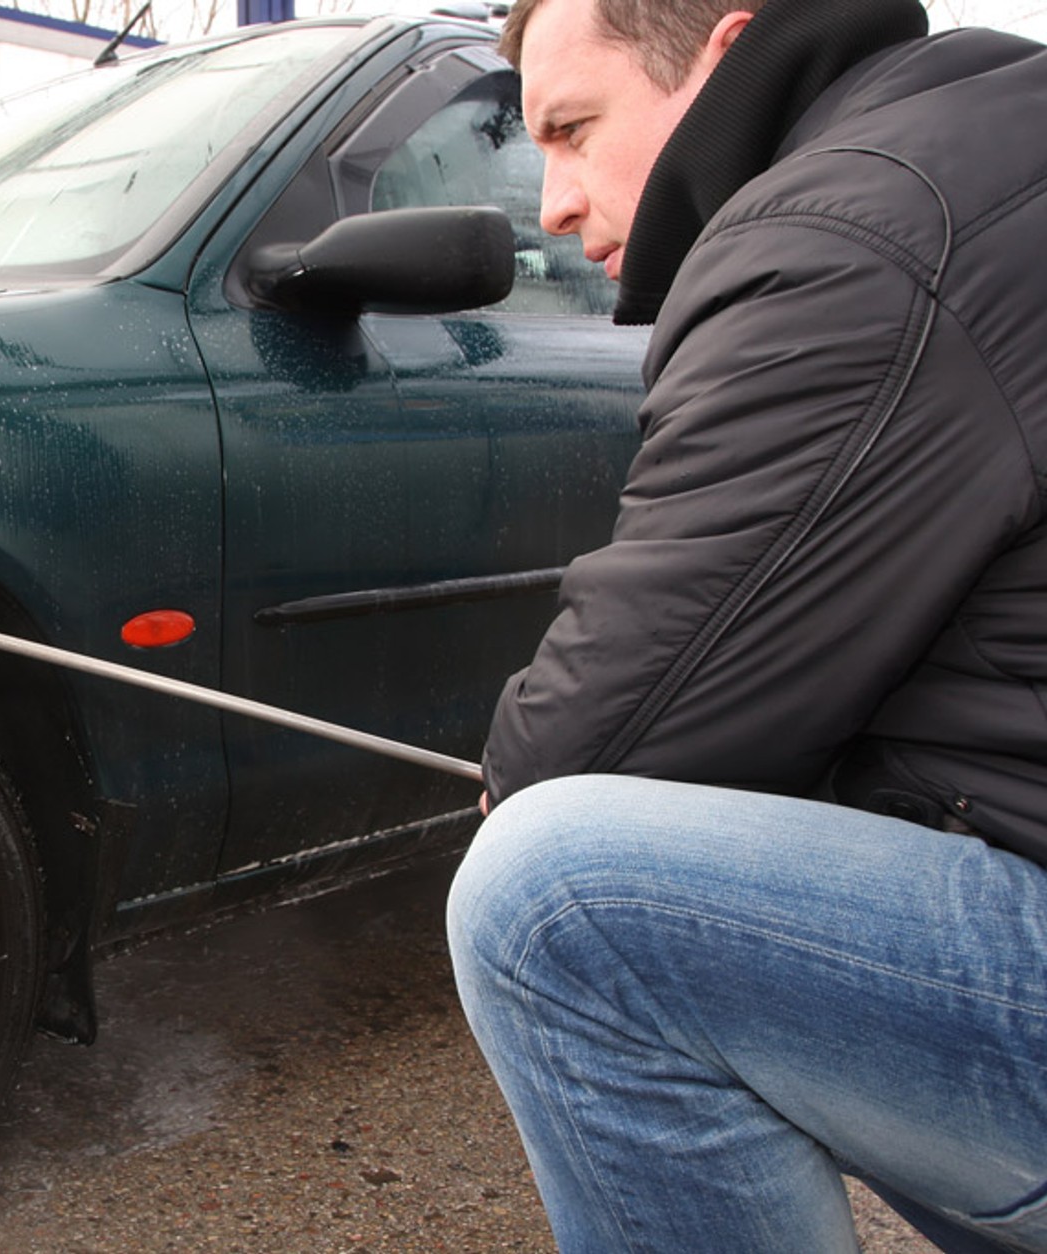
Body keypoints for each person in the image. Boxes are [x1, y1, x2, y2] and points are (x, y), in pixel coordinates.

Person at [443, 0, 1047, 1250]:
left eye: (570, 129)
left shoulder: (855, 229)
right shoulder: (991, 137)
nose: (549, 204)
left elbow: (634, 719)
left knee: (559, 899)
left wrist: (514, 780)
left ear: (722, 51)